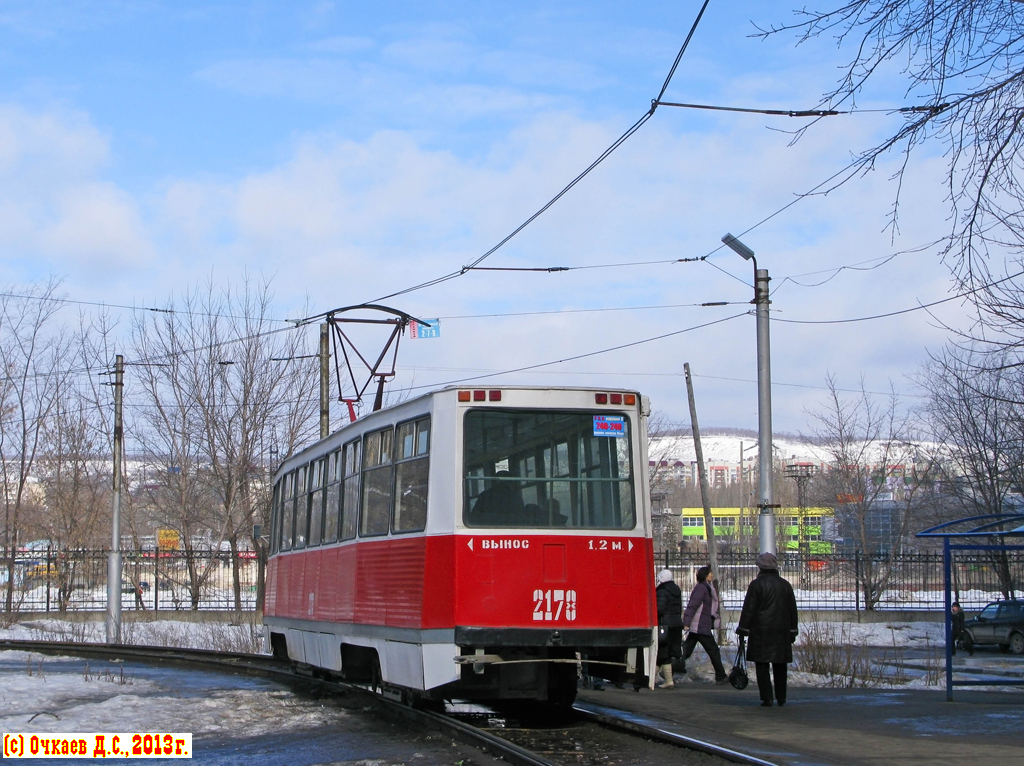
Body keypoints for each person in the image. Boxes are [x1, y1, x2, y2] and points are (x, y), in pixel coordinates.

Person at [736, 552, 798, 707]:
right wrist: (792, 630)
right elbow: (792, 609)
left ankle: (767, 697)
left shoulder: (756, 585)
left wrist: (743, 628)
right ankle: (781, 697)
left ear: (760, 567)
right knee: (780, 665)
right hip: (781, 630)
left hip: (761, 630)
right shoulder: (785, 585)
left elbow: (749, 609)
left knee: (762, 664)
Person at [681, 565, 728, 684]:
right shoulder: (702, 588)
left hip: (700, 625)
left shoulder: (706, 587)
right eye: (710, 573)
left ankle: (669, 669)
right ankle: (721, 676)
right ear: (705, 576)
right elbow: (693, 605)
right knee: (713, 650)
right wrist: (686, 622)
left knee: (686, 650)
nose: (712, 575)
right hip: (700, 625)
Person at [655, 568, 683, 688]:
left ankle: (668, 680)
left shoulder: (662, 591)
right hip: (676, 624)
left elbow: (659, 609)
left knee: (663, 652)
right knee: (667, 652)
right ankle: (649, 678)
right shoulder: (676, 590)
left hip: (665, 625)